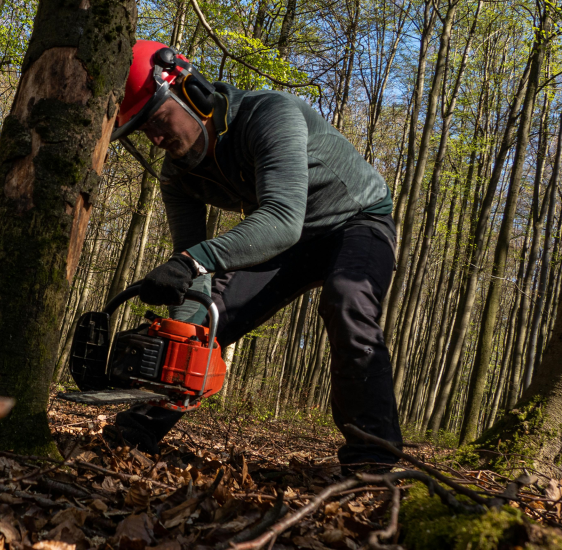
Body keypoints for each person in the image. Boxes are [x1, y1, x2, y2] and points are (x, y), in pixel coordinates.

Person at [106, 39, 403, 474]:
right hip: (290, 241)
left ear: (192, 92)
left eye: (157, 118)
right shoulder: (178, 175)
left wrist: (192, 262)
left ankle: (372, 460)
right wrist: (186, 294)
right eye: (142, 130)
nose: (155, 137)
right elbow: (196, 268)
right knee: (206, 316)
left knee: (348, 301)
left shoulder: (269, 115)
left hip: (356, 221)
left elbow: (281, 218)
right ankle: (135, 433)